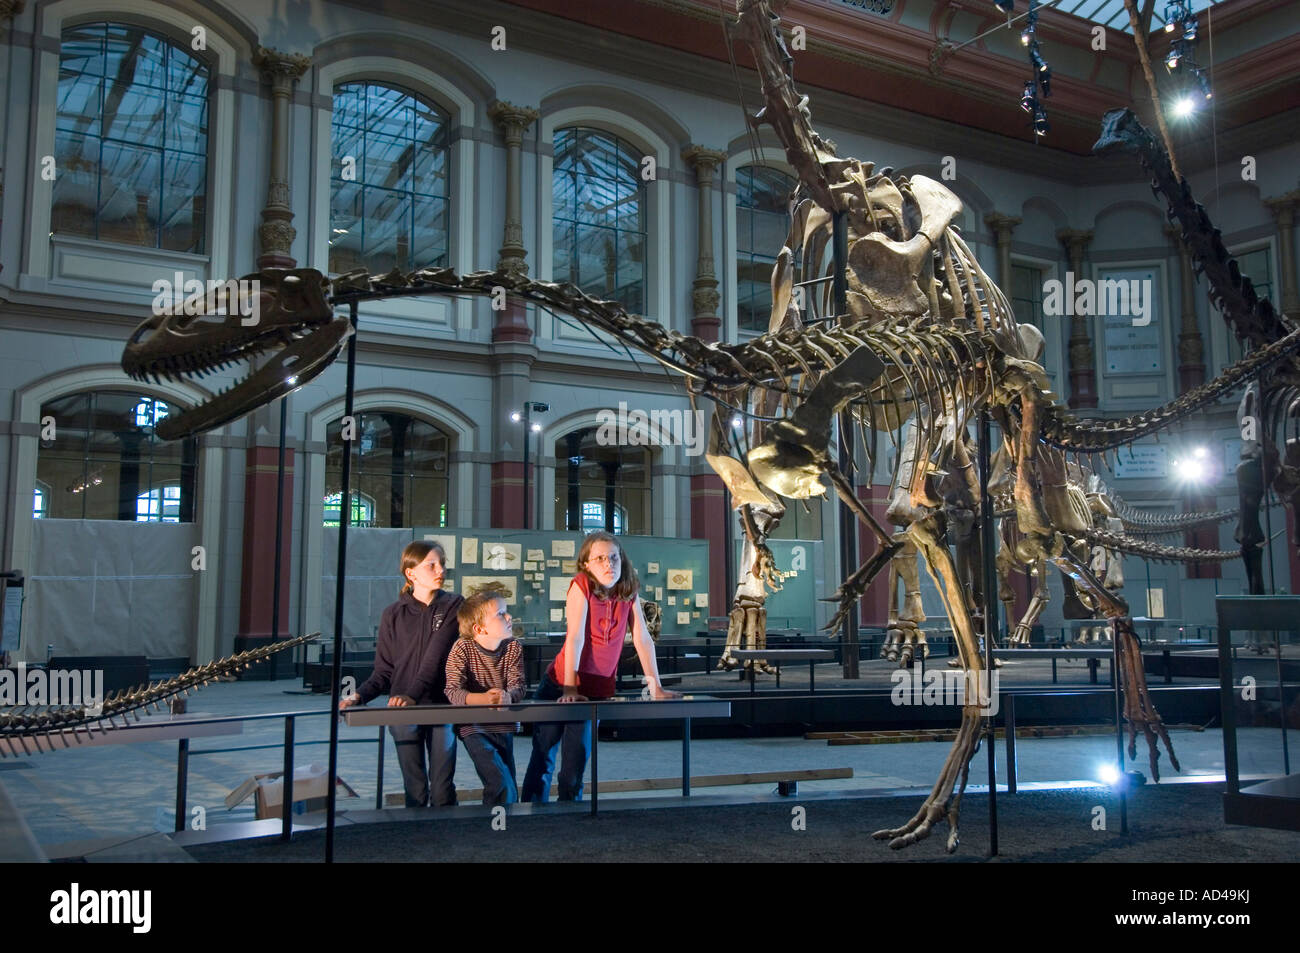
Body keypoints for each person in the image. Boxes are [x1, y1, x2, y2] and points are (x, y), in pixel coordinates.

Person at [522, 531, 679, 802]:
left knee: (575, 764)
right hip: (560, 683)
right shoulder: (581, 585)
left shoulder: (628, 591)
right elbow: (575, 637)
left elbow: (642, 637)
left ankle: (571, 814)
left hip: (596, 690)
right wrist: (570, 687)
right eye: (601, 559)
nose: (609, 564)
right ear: (586, 564)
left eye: (614, 558)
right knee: (543, 753)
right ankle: (531, 814)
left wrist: (656, 687)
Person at [339, 540, 462, 808]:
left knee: (442, 788)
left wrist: (411, 695)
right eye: (431, 564)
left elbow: (435, 657)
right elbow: (384, 670)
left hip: (442, 706)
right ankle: (414, 842)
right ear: (411, 572)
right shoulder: (392, 615)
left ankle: (451, 843)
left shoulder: (454, 606)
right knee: (415, 789)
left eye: (442, 564)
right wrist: (358, 696)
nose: (440, 569)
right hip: (402, 709)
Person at [445, 591, 527, 806]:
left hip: (503, 726)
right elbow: (453, 691)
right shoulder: (462, 648)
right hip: (474, 727)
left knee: (509, 780)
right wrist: (483, 698)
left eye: (506, 612)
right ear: (479, 628)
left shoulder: (513, 647)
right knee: (499, 780)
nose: (509, 617)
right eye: (500, 614)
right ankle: (494, 827)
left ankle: (505, 828)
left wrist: (507, 696)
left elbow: (518, 686)